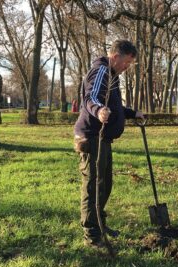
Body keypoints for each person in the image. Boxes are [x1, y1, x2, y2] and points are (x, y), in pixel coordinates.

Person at [73, 40, 144, 247]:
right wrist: (98, 111)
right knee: (93, 185)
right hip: (91, 138)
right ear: (115, 57)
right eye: (127, 62)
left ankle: (100, 224)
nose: (127, 67)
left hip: (103, 139)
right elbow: (91, 97)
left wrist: (132, 113)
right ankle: (92, 234)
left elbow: (115, 106)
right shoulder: (101, 71)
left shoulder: (112, 76)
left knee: (105, 185)